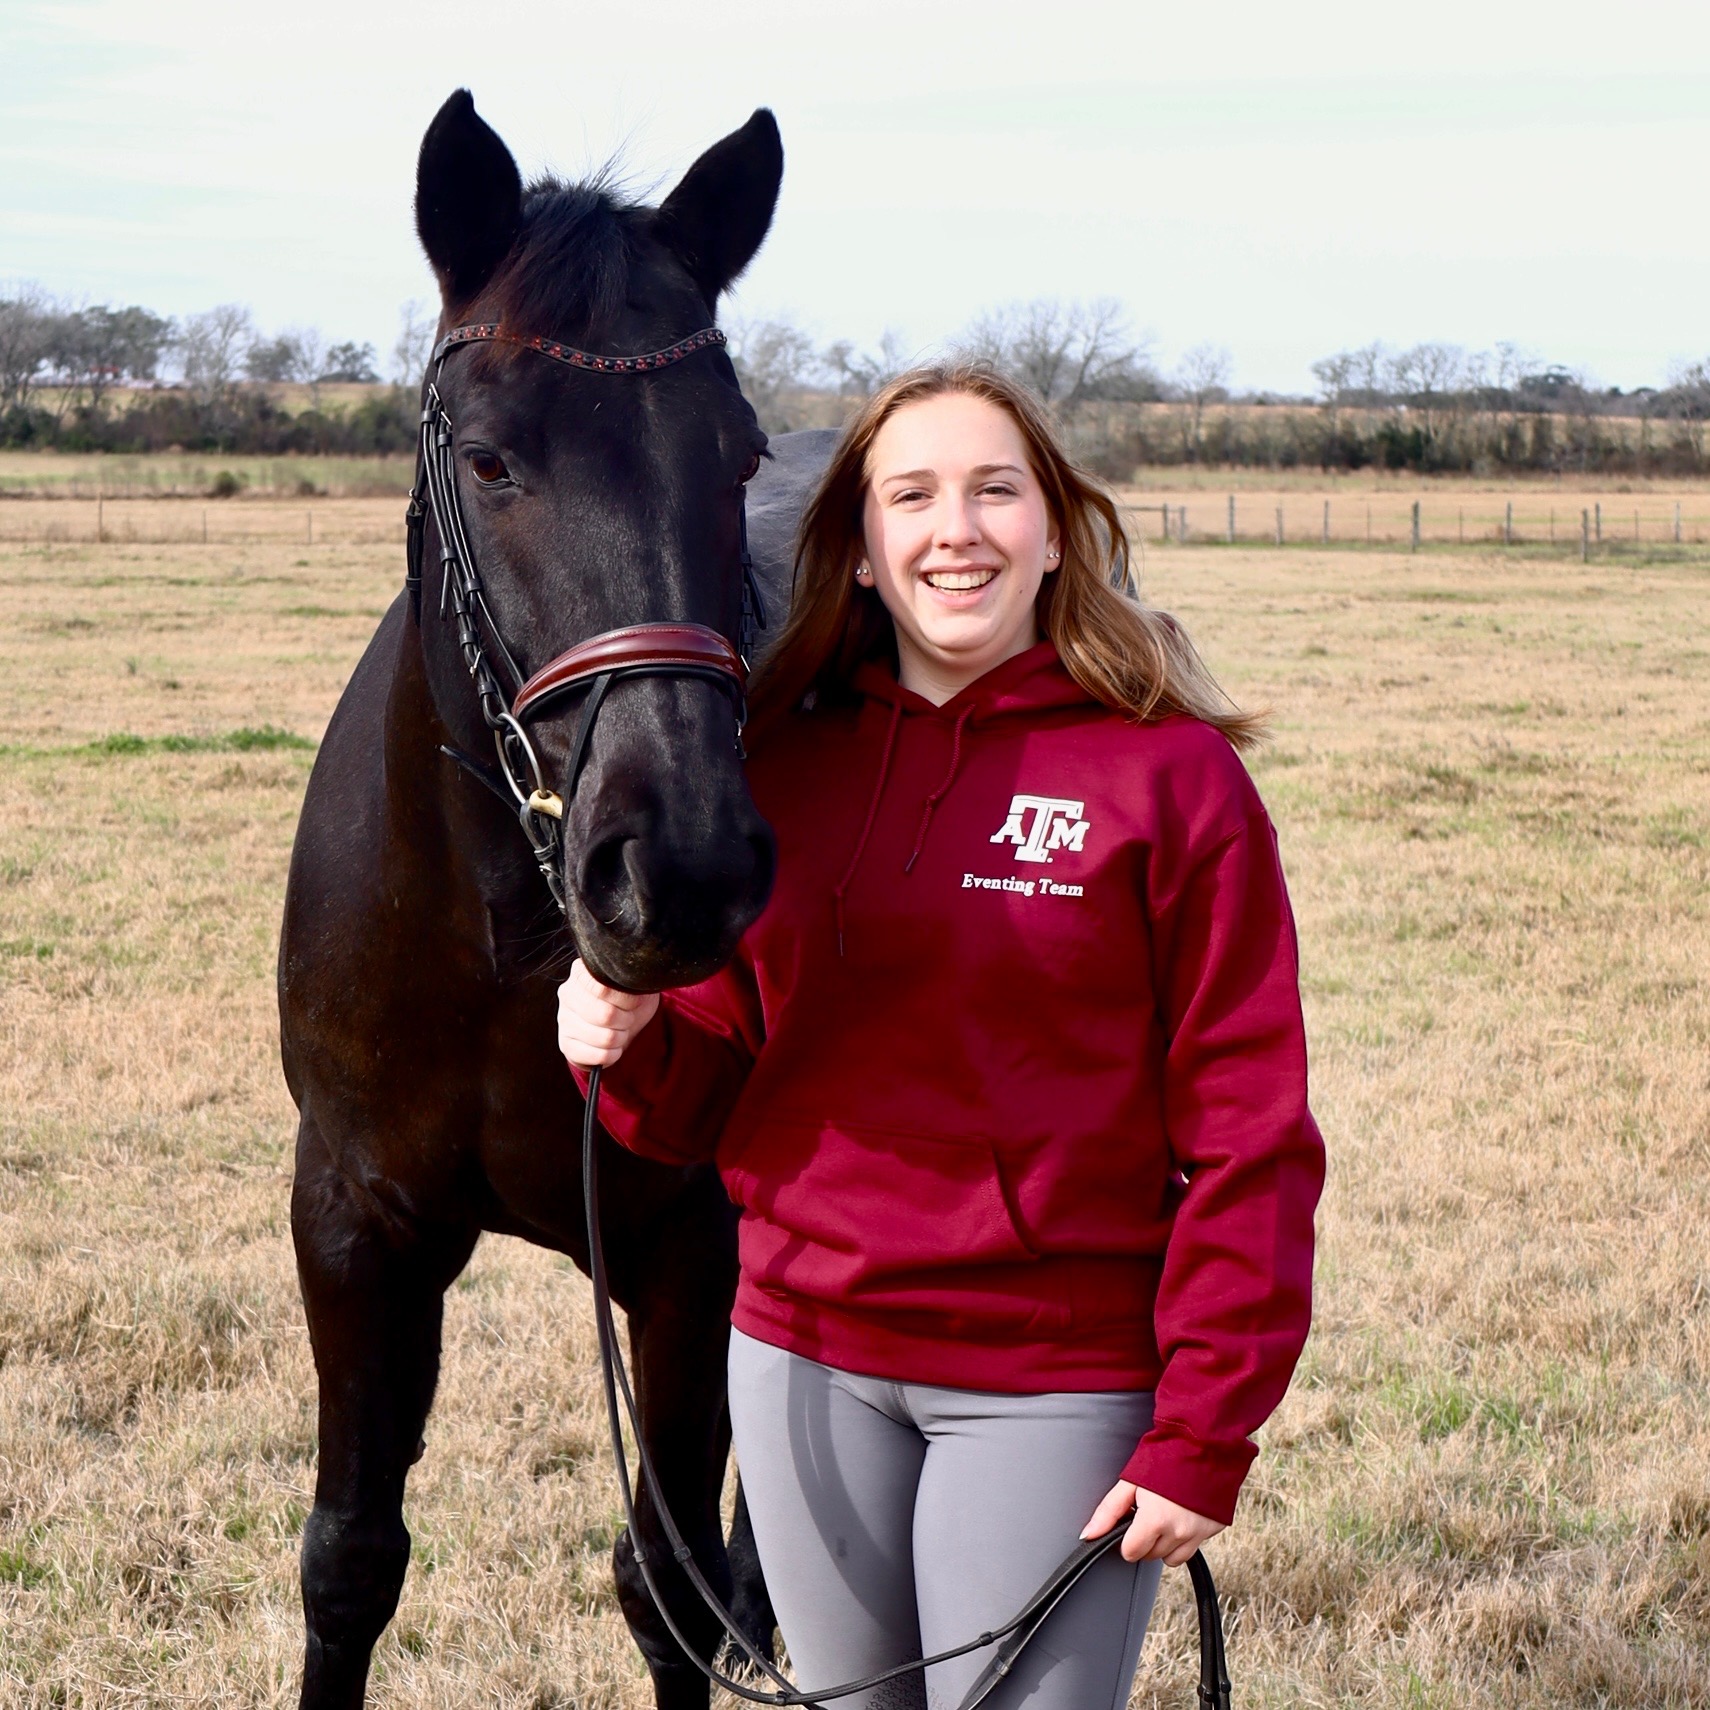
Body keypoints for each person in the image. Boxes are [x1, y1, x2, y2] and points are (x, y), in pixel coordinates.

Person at [557, 364, 1325, 1710]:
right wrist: (620, 1037)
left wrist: (1204, 1427)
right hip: (799, 1363)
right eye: (909, 495)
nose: (951, 528)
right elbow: (706, 1096)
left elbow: (1250, 1132)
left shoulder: (1172, 781)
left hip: (1046, 1379)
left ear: (1050, 529)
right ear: (855, 549)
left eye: (992, 490)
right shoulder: (780, 765)